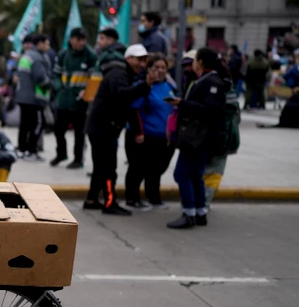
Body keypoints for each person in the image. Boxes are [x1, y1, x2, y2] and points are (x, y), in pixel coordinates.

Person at [85, 44, 157, 215]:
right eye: (139, 60)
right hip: (103, 129)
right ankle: (110, 203)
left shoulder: (126, 75)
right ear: (128, 58)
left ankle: (92, 199)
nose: (142, 64)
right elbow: (122, 96)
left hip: (103, 128)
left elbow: (128, 105)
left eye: (144, 60)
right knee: (109, 168)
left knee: (100, 166)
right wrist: (145, 85)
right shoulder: (119, 75)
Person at [167, 48, 230, 229]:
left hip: (197, 138)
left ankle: (189, 214)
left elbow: (209, 110)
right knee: (195, 175)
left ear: (200, 62)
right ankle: (200, 213)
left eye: (194, 60)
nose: (192, 63)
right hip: (199, 137)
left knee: (181, 174)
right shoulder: (204, 79)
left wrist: (182, 103)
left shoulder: (211, 82)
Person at [124, 54, 175, 210]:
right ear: (148, 69)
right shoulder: (142, 86)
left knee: (156, 170)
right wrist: (138, 133)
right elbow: (134, 110)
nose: (160, 70)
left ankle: (154, 198)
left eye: (163, 67)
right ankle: (132, 199)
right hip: (145, 135)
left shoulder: (169, 87)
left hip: (163, 137)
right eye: (156, 67)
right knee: (137, 168)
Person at [51, 28, 98, 169]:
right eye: (78, 39)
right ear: (71, 40)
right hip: (63, 100)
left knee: (79, 133)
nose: (81, 42)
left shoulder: (90, 55)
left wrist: (87, 92)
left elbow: (94, 78)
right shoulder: (63, 54)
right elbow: (56, 74)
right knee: (58, 130)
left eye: (83, 39)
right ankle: (61, 154)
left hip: (80, 101)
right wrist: (59, 87)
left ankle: (78, 159)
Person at [15, 34, 52, 160]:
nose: (48, 47)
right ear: (40, 43)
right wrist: (51, 85)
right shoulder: (38, 57)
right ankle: (32, 151)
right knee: (38, 124)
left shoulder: (26, 56)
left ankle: (22, 149)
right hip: (34, 98)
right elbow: (40, 77)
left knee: (24, 125)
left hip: (22, 96)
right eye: (47, 44)